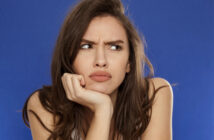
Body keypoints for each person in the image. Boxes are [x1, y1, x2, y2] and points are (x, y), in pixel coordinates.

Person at [22, 0, 173, 140]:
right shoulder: (45, 106)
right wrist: (103, 110)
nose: (100, 61)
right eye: (86, 46)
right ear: (69, 58)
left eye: (114, 47)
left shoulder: (154, 94)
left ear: (129, 62)